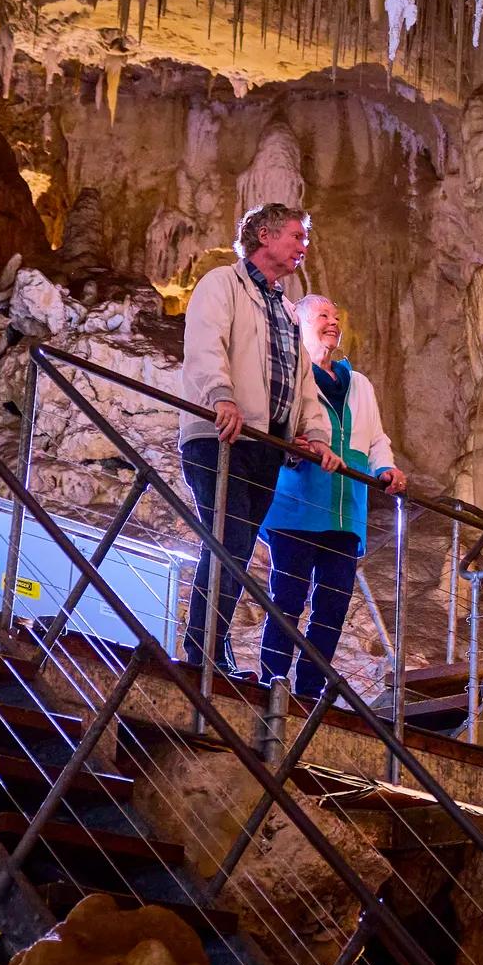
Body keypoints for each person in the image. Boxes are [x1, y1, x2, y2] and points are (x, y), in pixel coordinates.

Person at [177, 202, 338, 671]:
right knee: (227, 539)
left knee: (240, 548)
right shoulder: (221, 285)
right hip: (219, 435)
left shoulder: (287, 311)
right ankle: (203, 651)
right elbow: (206, 344)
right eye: (296, 237)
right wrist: (220, 395)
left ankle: (212, 646)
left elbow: (302, 382)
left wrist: (314, 434)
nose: (303, 248)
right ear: (265, 236)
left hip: (264, 444)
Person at [258, 295, 408, 695]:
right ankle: (271, 678)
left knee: (333, 607)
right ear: (301, 324)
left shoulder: (358, 384)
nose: (333, 322)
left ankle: (308, 689)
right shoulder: (291, 372)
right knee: (288, 597)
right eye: (323, 315)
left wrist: (386, 468)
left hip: (345, 512)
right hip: (297, 507)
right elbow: (274, 423)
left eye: (336, 317)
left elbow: (375, 439)